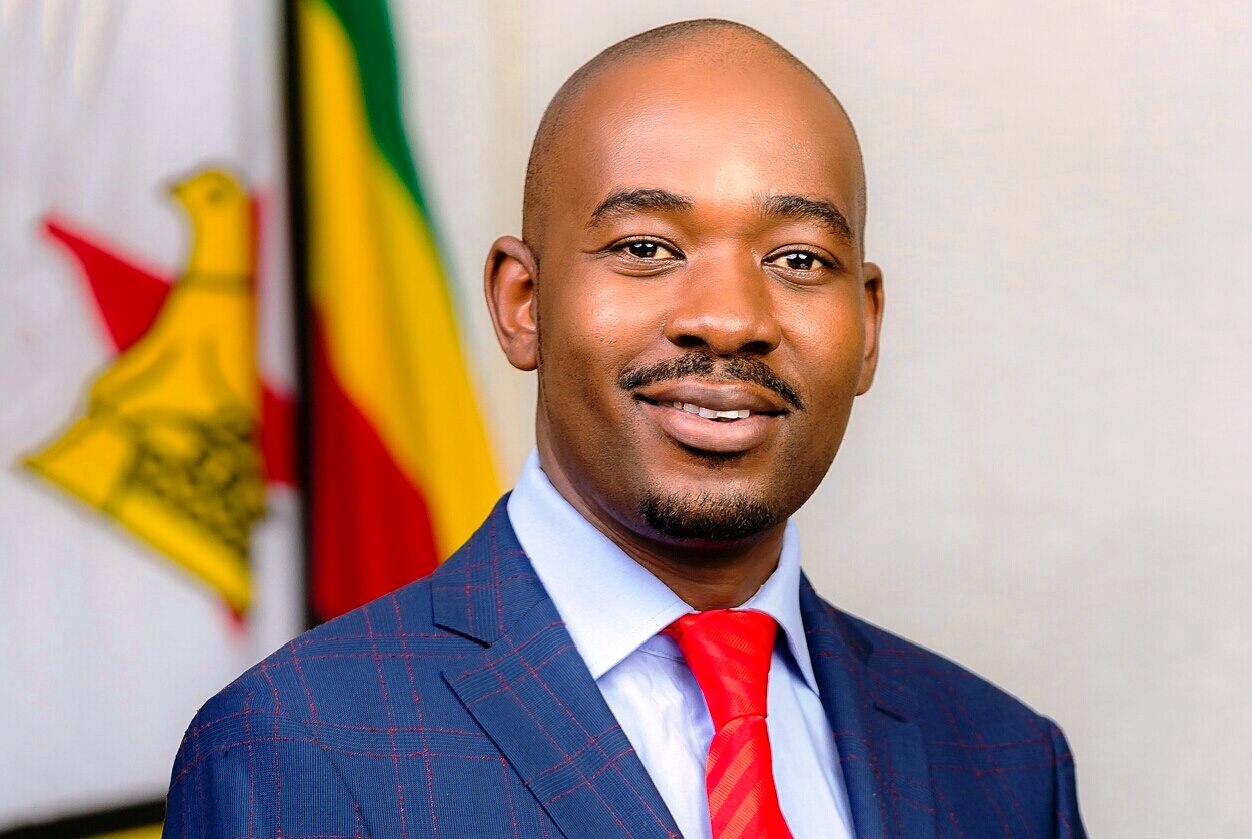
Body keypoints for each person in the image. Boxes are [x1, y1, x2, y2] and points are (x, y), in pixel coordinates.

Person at [165, 19, 1087, 839]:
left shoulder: (1003, 762)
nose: (729, 318)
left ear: (868, 324)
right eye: (645, 247)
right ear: (523, 302)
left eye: (799, 259)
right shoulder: (298, 744)